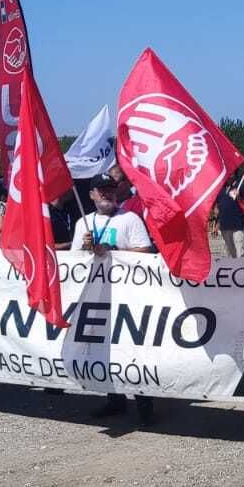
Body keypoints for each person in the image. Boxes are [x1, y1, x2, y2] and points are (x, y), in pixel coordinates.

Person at [79, 175, 159, 425]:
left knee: (133, 348)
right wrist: (86, 248)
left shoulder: (129, 219)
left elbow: (145, 252)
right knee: (104, 348)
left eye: (111, 190)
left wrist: (110, 251)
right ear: (91, 194)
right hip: (97, 295)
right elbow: (75, 259)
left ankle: (145, 403)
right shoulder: (84, 222)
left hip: (127, 295)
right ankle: (114, 399)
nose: (106, 194)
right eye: (101, 190)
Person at [214, 182, 244, 257]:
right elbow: (218, 207)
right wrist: (217, 223)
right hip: (224, 226)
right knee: (230, 254)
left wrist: (239, 197)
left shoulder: (241, 184)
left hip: (238, 225)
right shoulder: (220, 187)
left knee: (241, 253)